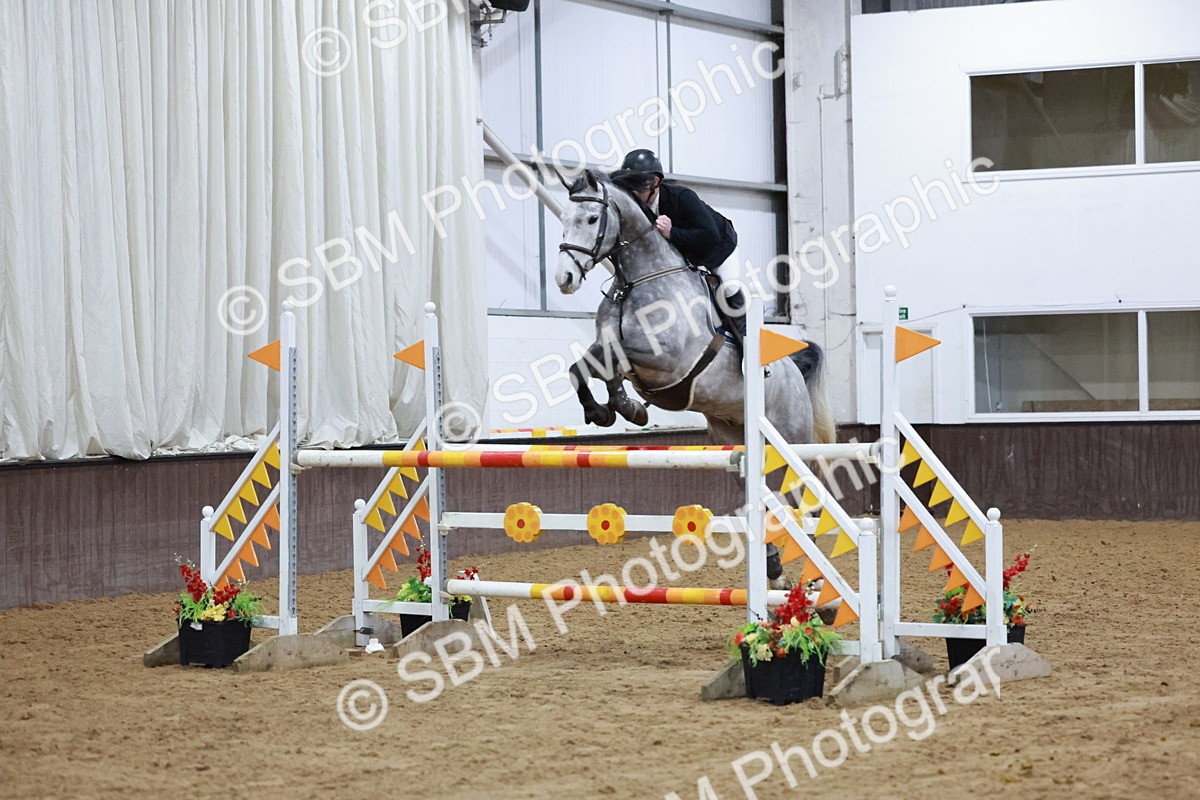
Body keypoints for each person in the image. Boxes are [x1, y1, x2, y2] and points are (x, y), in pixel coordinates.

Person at [612, 149, 746, 340]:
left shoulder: (682, 197)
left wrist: (671, 232)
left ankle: (748, 343)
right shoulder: (639, 208)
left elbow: (710, 236)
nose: (632, 192)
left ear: (655, 182)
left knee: (730, 287)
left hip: (719, 249)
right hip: (685, 256)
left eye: (637, 185)